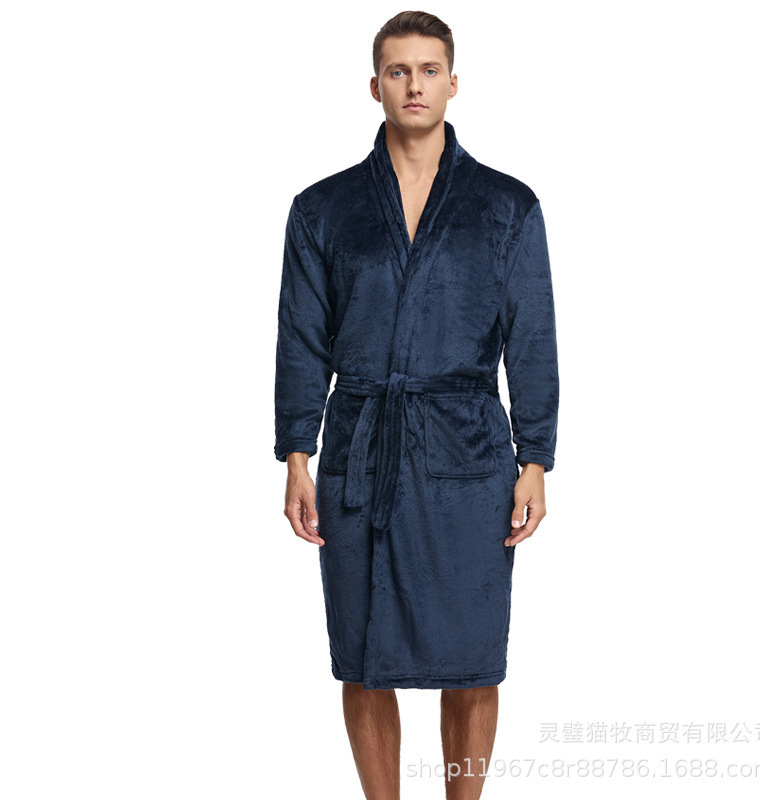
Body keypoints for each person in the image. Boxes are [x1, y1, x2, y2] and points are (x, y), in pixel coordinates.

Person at [274, 10, 559, 798]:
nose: (414, 85)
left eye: (429, 70)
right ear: (375, 86)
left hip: (469, 454)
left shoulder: (506, 205)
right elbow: (301, 338)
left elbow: (532, 338)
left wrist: (535, 459)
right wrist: (297, 454)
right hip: (362, 452)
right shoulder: (323, 208)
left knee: (474, 659)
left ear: (453, 83)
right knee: (364, 659)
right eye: (398, 71)